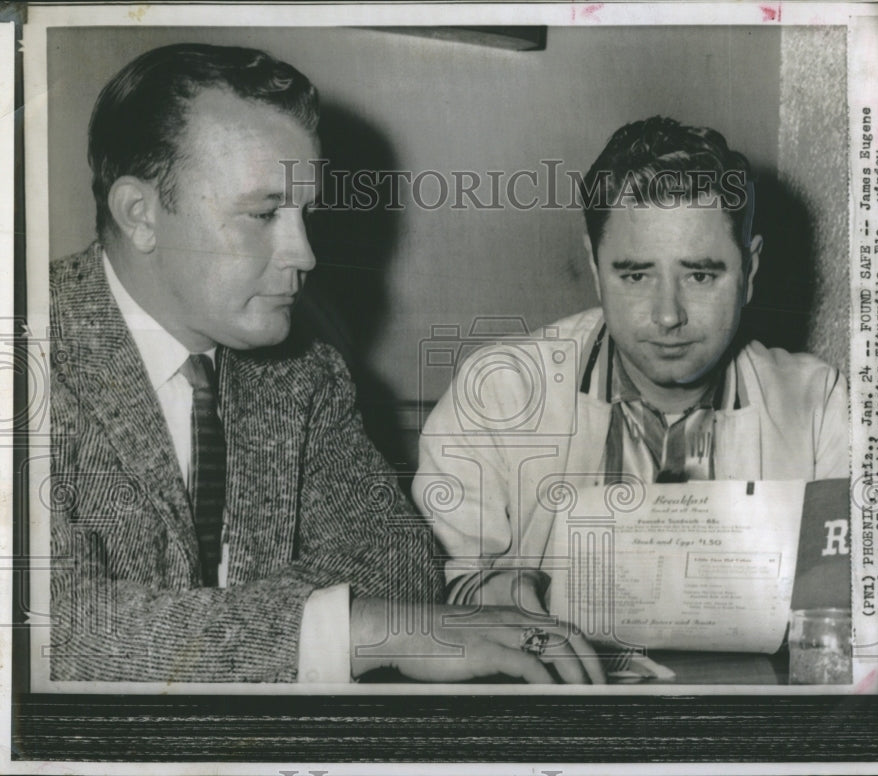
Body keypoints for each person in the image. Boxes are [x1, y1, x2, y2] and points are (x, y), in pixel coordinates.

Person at [49, 43, 602, 685]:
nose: (305, 254)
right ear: (141, 215)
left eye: (304, 212)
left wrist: (177, 630)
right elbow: (45, 631)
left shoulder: (301, 370)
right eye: (263, 214)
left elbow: (399, 560)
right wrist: (349, 629)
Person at [416, 116, 849, 616]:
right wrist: (483, 597)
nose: (669, 315)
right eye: (637, 275)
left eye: (702, 275)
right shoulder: (498, 395)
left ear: (749, 273)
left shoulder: (820, 410)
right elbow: (430, 596)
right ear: (596, 269)